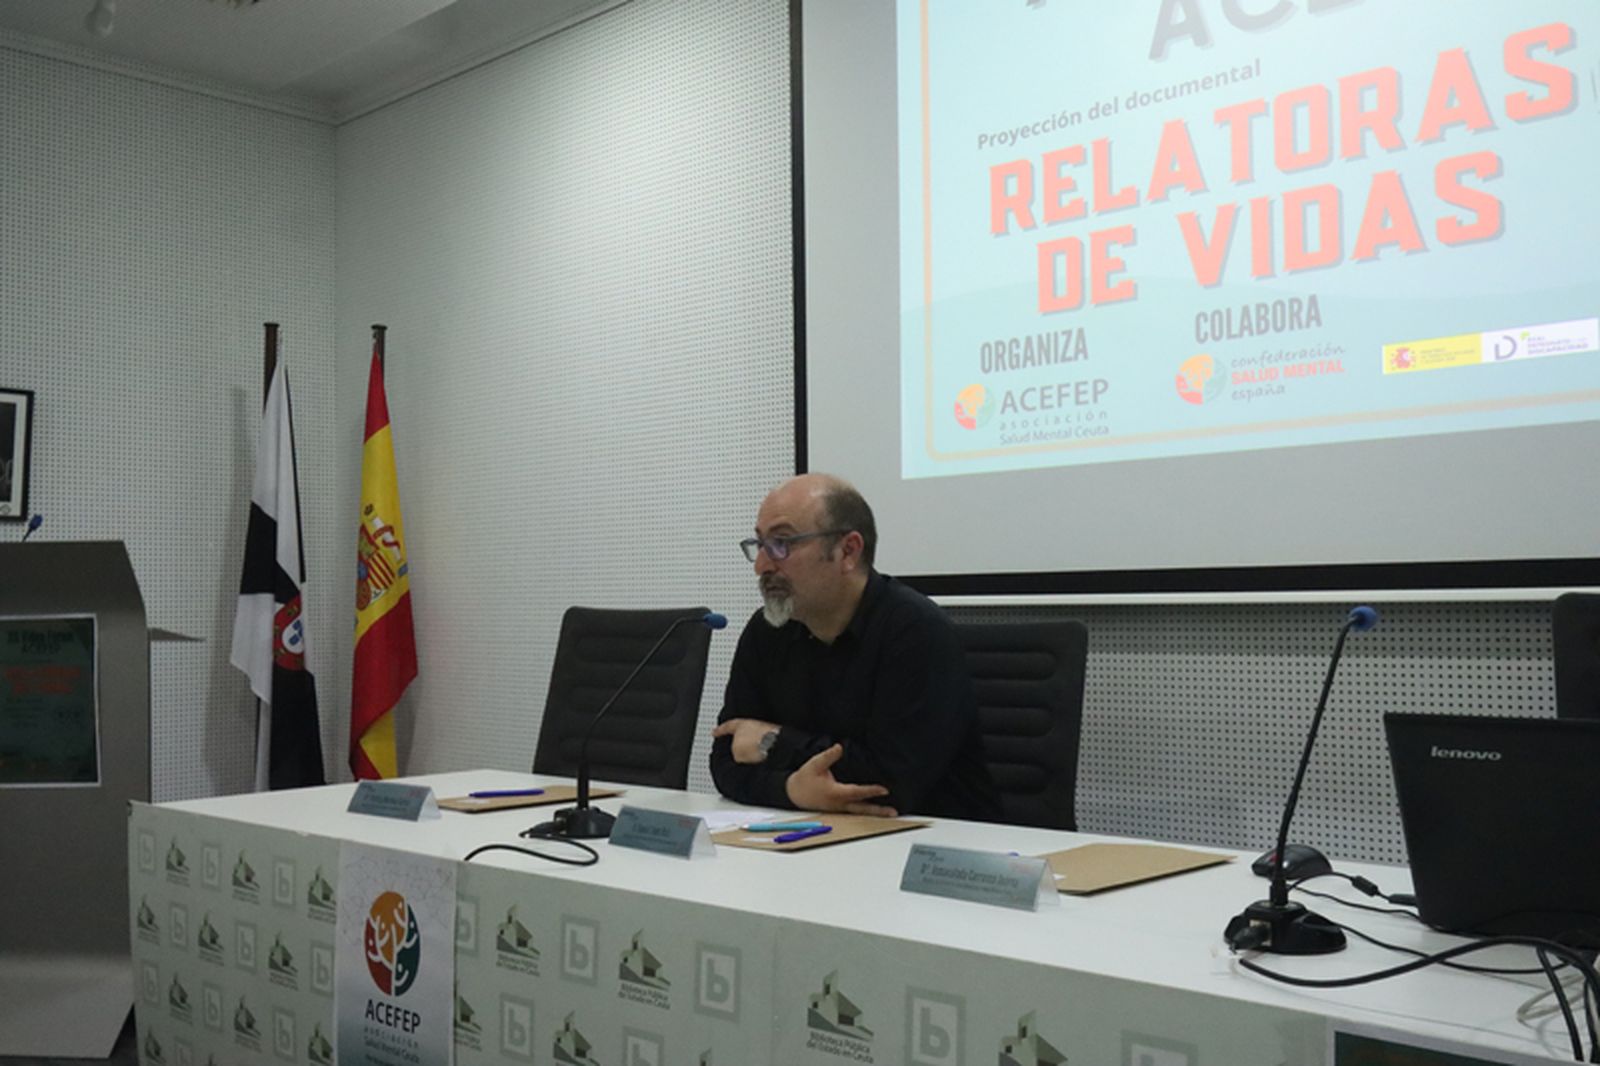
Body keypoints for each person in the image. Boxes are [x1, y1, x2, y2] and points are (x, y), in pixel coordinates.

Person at [710, 473, 999, 820]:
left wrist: (773, 740)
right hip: (822, 837)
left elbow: (887, 782)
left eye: (782, 543)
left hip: (933, 845)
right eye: (759, 545)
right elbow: (725, 760)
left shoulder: (916, 632)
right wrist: (792, 790)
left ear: (848, 551)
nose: (761, 565)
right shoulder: (767, 630)